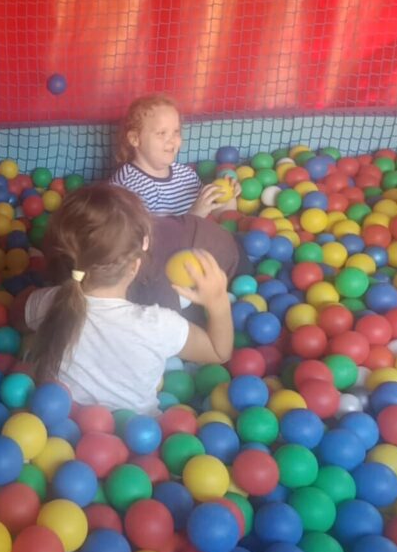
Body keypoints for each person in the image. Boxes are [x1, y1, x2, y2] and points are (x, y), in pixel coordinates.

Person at [14, 184, 233, 415]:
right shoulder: (158, 325)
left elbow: (17, 314)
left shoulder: (50, 302)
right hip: (139, 430)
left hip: (58, 421)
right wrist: (218, 302)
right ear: (135, 265)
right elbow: (218, 352)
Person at [110, 94, 246, 311]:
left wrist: (227, 197)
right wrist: (194, 216)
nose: (171, 140)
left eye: (176, 132)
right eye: (161, 133)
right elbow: (147, 246)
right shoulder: (129, 184)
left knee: (242, 249)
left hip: (198, 255)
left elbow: (221, 217)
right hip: (161, 268)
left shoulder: (184, 174)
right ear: (135, 139)